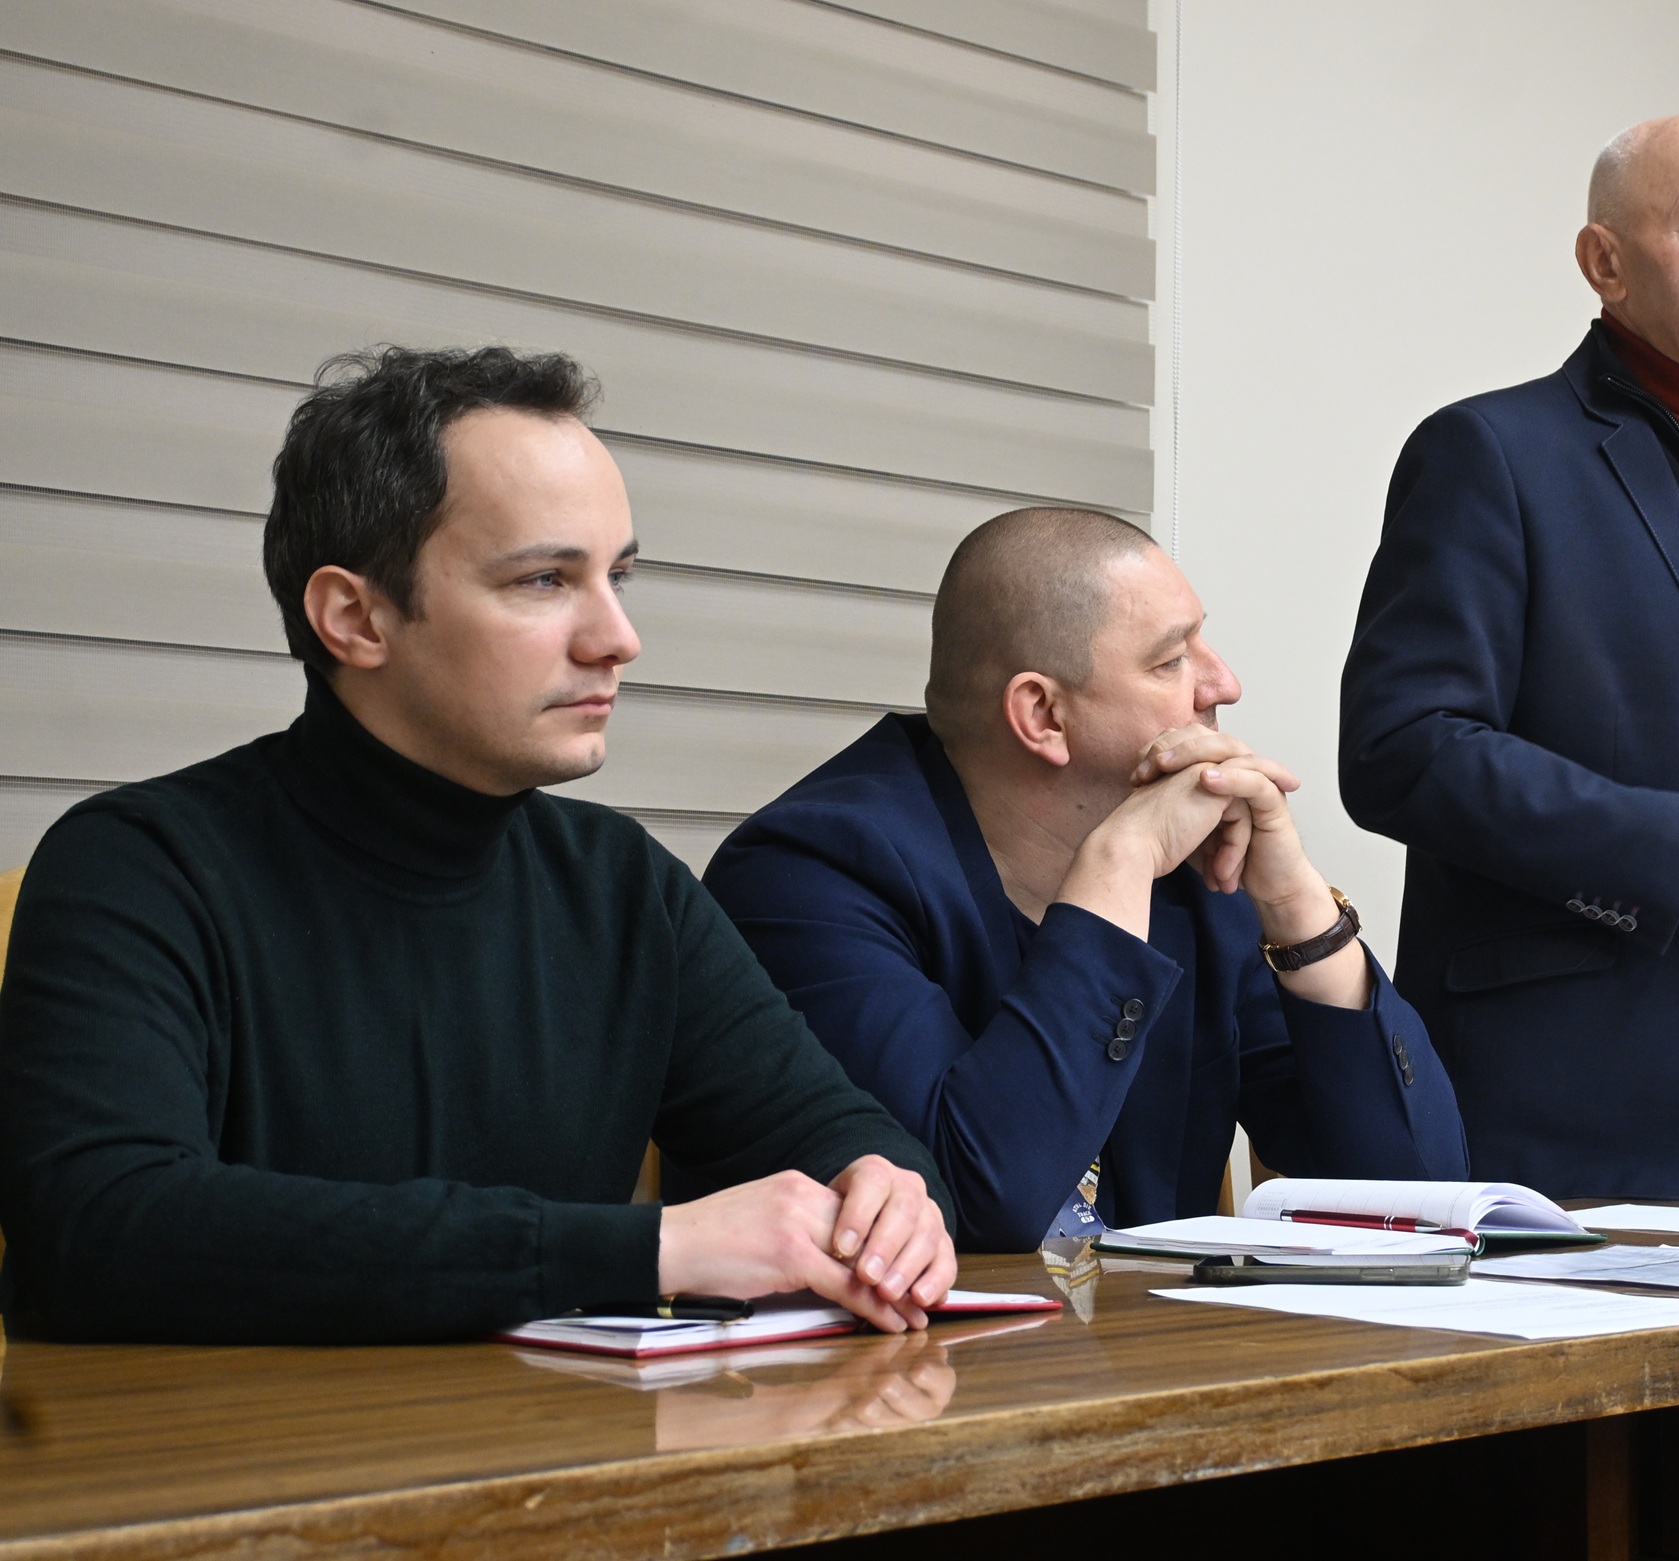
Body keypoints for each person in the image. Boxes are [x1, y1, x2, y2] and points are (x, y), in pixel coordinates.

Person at [0, 346, 957, 1345]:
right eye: (544, 579)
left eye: (619, 577)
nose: (619, 637)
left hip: (542, 1438)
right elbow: (103, 1225)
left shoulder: (624, 887)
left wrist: (885, 1194)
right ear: (355, 617)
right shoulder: (137, 867)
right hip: (224, 1443)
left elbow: (838, 1134)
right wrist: (649, 1250)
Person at [1340, 114, 1679, 1197]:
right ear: (1604, 263)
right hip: (1559, 1112)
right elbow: (1400, 749)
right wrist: (1674, 850)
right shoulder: (1489, 452)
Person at [703, 508, 1468, 1252]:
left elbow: (1419, 1196)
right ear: (1042, 714)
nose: (1224, 683)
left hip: (1159, 1338)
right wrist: (1117, 865)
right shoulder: (806, 876)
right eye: (1171, 660)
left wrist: (1298, 906)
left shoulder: (1198, 879)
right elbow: (979, 1202)